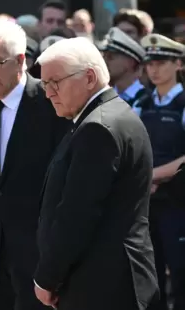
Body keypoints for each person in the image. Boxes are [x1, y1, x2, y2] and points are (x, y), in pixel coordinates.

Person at [34, 37, 159, 310]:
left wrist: (47, 278)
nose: (48, 92)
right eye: (45, 84)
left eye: (55, 82)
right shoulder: (106, 116)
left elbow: (77, 214)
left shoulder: (98, 128)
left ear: (89, 77)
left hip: (101, 284)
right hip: (107, 280)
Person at [0, 19, 69, 310]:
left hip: (42, 259)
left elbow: (66, 184)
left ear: (21, 60)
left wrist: (61, 257)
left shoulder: (51, 103)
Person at [133, 34, 185, 310]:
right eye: (150, 62)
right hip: (146, 206)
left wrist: (151, 176)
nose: (154, 69)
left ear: (179, 64)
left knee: (179, 275)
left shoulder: (182, 103)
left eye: (162, 62)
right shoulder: (142, 101)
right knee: (149, 278)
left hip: (177, 205)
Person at [102, 27, 146, 106]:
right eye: (104, 56)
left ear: (130, 62)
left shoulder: (147, 101)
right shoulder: (104, 98)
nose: (105, 61)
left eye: (110, 56)